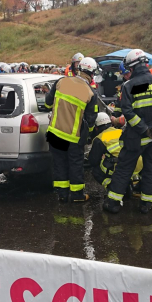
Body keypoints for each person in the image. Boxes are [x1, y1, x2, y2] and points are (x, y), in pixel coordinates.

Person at [103, 49, 152, 214]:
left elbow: (127, 112)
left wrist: (143, 129)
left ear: (131, 68)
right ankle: (146, 205)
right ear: (146, 64)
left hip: (135, 137)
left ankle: (113, 203)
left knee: (124, 169)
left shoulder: (129, 86)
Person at [44, 57, 99, 203]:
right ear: (92, 74)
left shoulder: (61, 81)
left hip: (55, 133)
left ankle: (62, 194)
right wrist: (89, 135)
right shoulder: (90, 93)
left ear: (79, 69)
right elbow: (91, 120)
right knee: (75, 164)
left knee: (59, 163)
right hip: (74, 137)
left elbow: (48, 103)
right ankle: (77, 195)